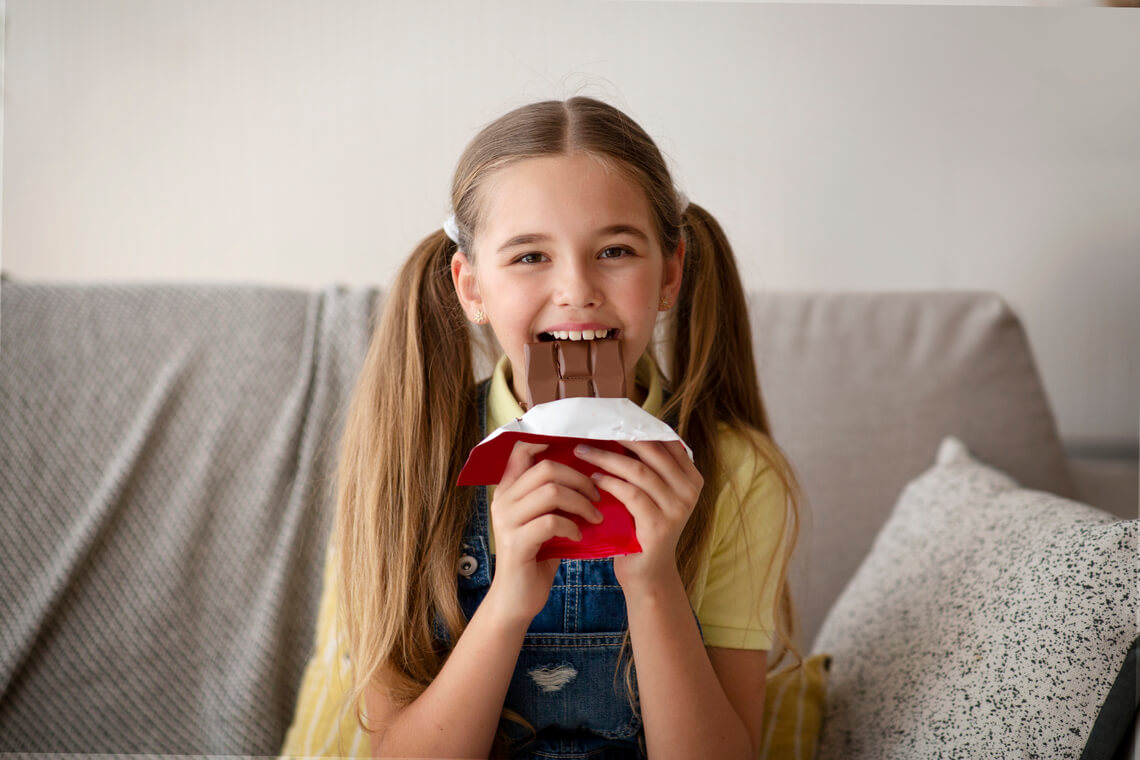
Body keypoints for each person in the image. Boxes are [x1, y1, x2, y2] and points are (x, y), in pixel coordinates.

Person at [280, 96, 804, 760]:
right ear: (472, 288)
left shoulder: (735, 472)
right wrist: (508, 601)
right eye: (530, 257)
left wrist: (653, 583)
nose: (576, 289)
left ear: (669, 275)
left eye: (614, 249)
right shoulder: (411, 460)